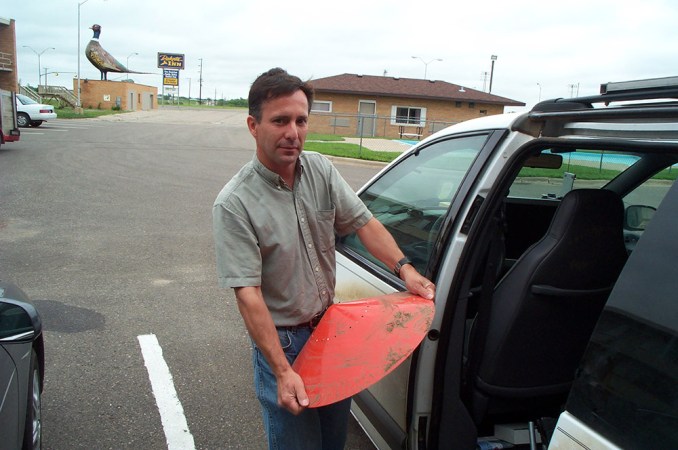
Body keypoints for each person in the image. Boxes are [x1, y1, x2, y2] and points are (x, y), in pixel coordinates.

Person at [213, 67, 435, 450]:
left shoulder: (320, 169)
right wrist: (282, 372)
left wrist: (406, 270)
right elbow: (248, 294)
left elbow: (364, 223)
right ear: (254, 125)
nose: (293, 133)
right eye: (280, 121)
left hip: (331, 332)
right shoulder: (234, 203)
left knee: (333, 440)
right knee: (296, 444)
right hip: (284, 344)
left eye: (301, 120)